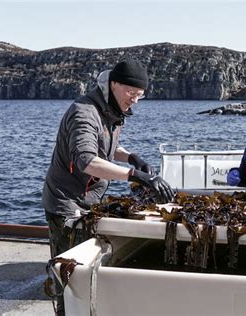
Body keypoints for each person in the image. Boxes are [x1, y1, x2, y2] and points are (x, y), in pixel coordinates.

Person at [42, 59, 174, 315]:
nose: (135, 100)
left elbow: (107, 148)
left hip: (89, 201)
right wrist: (136, 175)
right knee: (68, 276)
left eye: (140, 96)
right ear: (114, 84)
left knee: (87, 269)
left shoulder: (112, 111)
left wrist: (131, 157)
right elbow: (87, 160)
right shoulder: (84, 112)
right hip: (65, 203)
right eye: (132, 93)